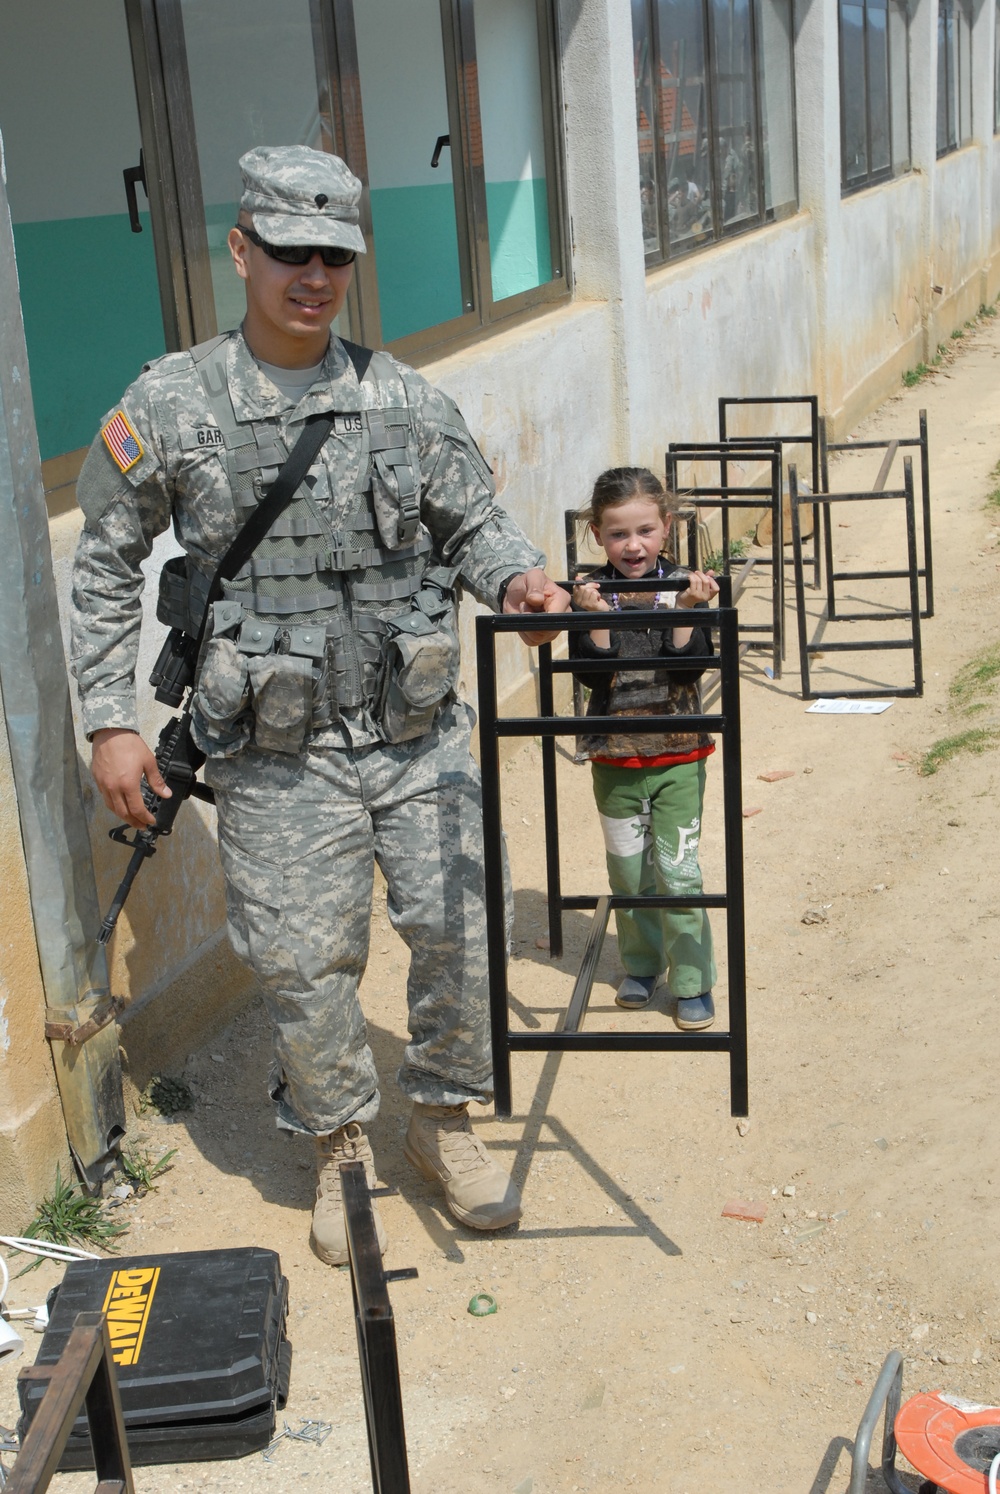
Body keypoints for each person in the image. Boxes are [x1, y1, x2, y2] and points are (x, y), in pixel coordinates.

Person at [69, 144, 569, 1266]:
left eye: (335, 254)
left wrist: (521, 581)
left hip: (414, 728)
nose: (314, 274)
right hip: (276, 749)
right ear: (239, 251)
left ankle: (444, 1122)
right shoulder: (173, 405)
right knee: (303, 958)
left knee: (457, 929)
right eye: (290, 250)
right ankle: (341, 1144)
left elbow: (471, 526)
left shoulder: (403, 399)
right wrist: (108, 717)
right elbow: (102, 565)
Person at [570, 467, 718, 1029]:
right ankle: (640, 964)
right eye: (617, 534)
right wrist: (595, 617)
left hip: (679, 753)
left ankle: (691, 980)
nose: (632, 546)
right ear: (597, 535)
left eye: (644, 532)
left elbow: (689, 667)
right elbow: (593, 676)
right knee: (629, 874)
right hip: (614, 756)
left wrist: (689, 610)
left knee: (679, 871)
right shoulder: (589, 591)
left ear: (667, 528)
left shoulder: (686, 586)